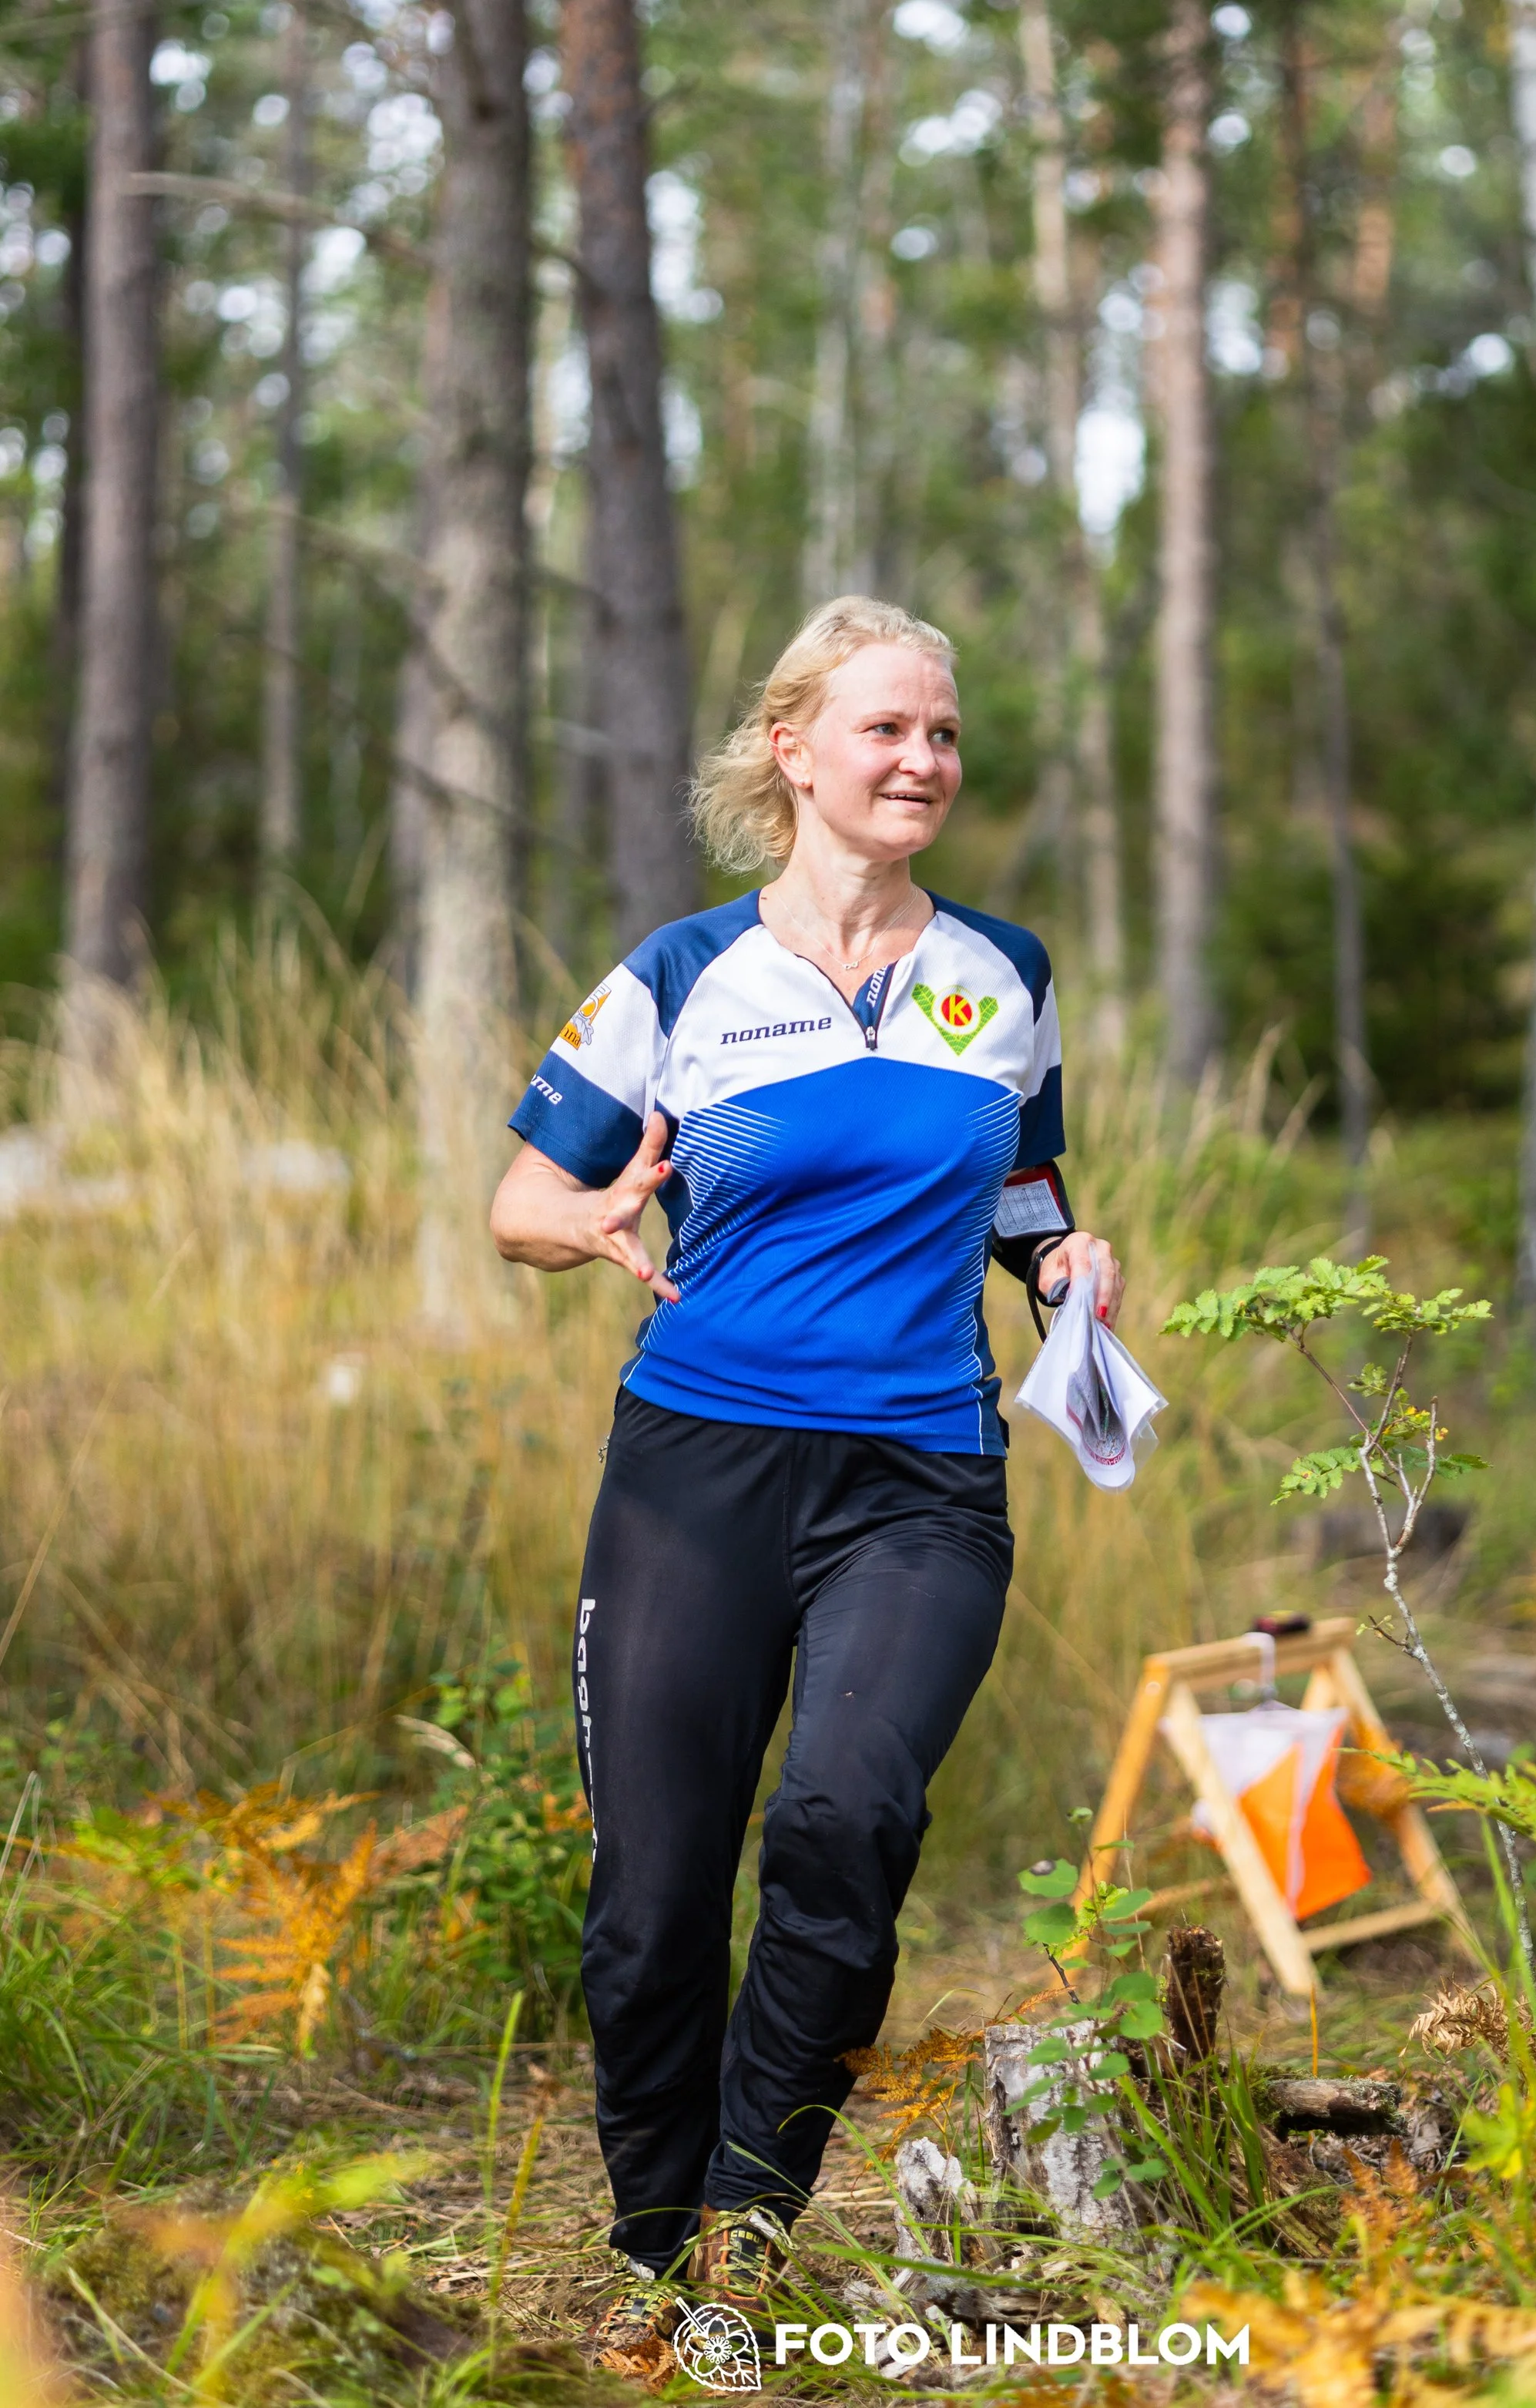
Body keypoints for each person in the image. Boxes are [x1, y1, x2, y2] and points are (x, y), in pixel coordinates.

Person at [488, 595, 1125, 2340]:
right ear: (793, 751)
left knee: (848, 1816)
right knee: (653, 1897)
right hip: (694, 1470)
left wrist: (1064, 1263)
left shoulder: (1000, 972)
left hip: (918, 1477)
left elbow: (1024, 1187)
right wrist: (594, 1219)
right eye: (885, 731)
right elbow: (518, 1201)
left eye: (942, 734)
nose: (922, 760)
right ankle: (649, 2239)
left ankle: (750, 2220)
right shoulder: (680, 975)